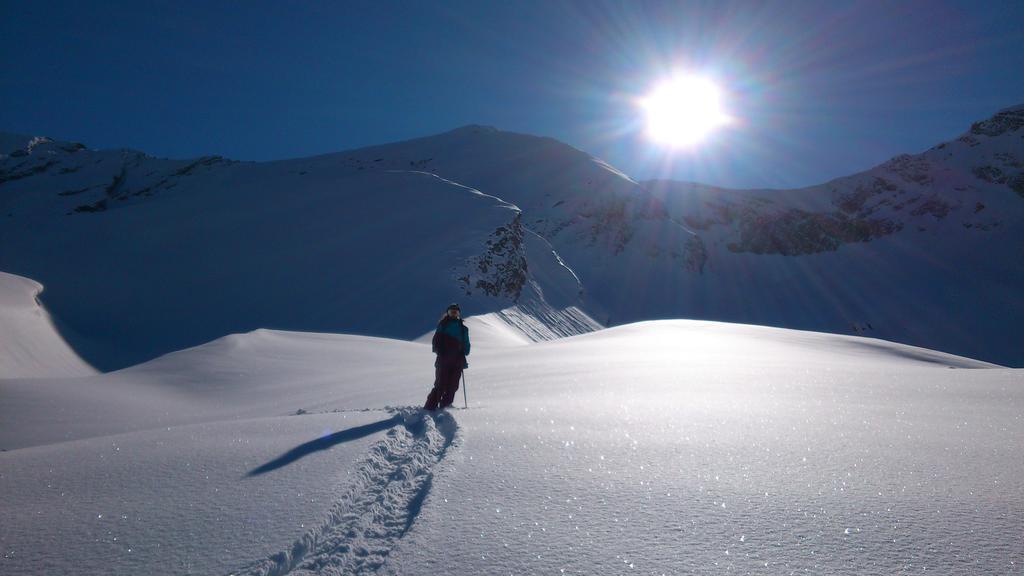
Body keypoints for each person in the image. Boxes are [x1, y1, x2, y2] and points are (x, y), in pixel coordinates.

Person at [424, 303, 470, 410]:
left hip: (457, 360)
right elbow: (435, 341)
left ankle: (445, 406)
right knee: (441, 384)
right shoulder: (443, 325)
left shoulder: (464, 329)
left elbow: (466, 345)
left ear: (459, 314)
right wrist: (441, 351)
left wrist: (464, 350)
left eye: (456, 312)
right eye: (451, 312)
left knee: (453, 386)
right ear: (447, 313)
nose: (454, 314)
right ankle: (430, 407)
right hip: (444, 359)